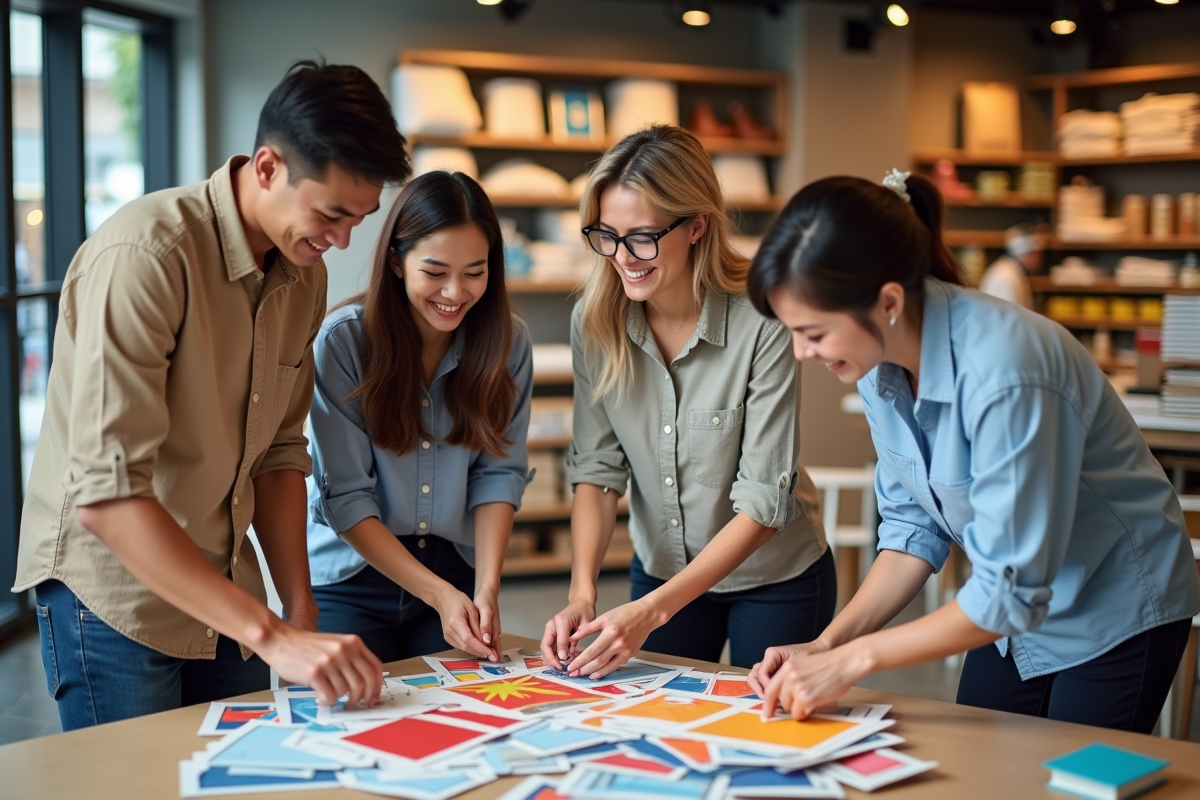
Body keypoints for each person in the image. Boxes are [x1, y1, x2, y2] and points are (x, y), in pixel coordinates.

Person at [14, 60, 411, 730]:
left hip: (225, 581)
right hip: (114, 593)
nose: (342, 241)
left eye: (360, 220)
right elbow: (107, 498)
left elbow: (280, 451)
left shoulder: (303, 272)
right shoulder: (146, 256)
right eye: (331, 214)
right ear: (266, 167)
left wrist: (299, 607)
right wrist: (275, 635)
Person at [744, 170, 1200, 733]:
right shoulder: (872, 359)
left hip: (1113, 605)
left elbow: (1011, 591)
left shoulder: (1007, 367)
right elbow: (914, 529)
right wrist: (826, 643)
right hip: (1006, 608)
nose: (800, 352)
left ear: (887, 301)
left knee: (1068, 784)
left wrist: (853, 661)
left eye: (813, 332)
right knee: (984, 769)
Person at [541, 126, 835, 678]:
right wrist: (583, 592)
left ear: (698, 225)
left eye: (643, 237)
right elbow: (597, 470)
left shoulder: (763, 314)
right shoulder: (595, 321)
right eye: (607, 235)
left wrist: (651, 613)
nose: (623, 257)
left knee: (771, 734)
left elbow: (763, 502)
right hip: (661, 570)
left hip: (775, 579)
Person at [305, 170, 532, 664]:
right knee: (349, 728)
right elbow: (345, 497)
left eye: (475, 272)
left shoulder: (508, 343)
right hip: (352, 576)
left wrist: (487, 589)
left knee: (463, 722)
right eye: (435, 272)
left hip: (456, 571)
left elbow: (498, 474)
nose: (455, 292)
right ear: (395, 260)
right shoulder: (342, 342)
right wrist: (439, 594)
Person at [977, 223, 1047, 309]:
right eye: (1037, 254)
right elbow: (1010, 319)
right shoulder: (1006, 276)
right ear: (1027, 253)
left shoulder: (1012, 270)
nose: (1040, 259)